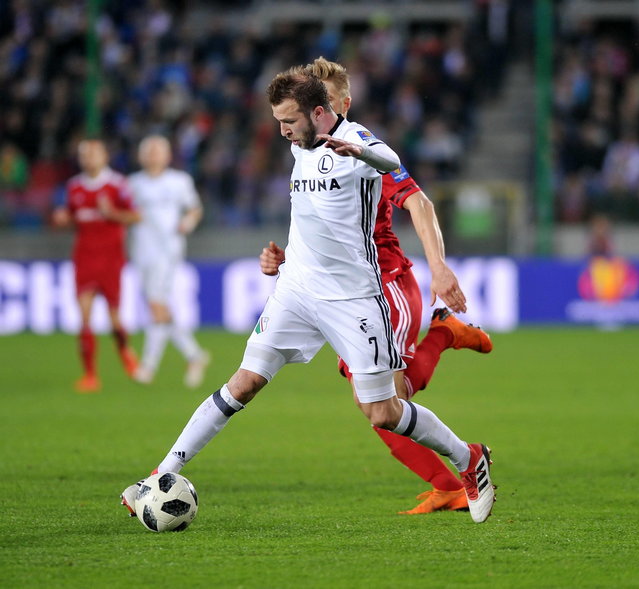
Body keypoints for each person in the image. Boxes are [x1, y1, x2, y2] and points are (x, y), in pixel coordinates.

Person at [121, 69, 496, 523]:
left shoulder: (356, 142)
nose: (282, 131)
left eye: (288, 121)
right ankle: (160, 473)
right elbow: (313, 215)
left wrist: (362, 153)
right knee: (243, 382)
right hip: (296, 290)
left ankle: (468, 458)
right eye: (278, 121)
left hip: (353, 299)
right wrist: (280, 255)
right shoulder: (300, 147)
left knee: (382, 411)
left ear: (319, 113)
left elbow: (393, 163)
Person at [258, 57, 493, 515]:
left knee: (390, 400)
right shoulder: (308, 158)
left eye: (323, 100)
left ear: (340, 105)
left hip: (386, 285)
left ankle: (444, 334)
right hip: (339, 293)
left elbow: (420, 204)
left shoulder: (365, 155)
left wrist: (439, 268)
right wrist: (288, 259)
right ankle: (448, 482)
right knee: (377, 408)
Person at [52, 138, 141, 393]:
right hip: (84, 257)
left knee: (114, 318)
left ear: (104, 157)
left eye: (93, 154)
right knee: (85, 317)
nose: (89, 159)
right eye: (84, 155)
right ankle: (90, 375)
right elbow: (72, 216)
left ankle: (125, 353)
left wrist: (112, 213)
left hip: (111, 258)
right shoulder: (74, 187)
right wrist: (63, 219)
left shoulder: (117, 185)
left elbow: (135, 216)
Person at [128, 135, 210, 388]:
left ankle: (149, 366)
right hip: (141, 251)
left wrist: (188, 222)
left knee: (156, 305)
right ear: (141, 156)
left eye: (157, 150)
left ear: (166, 155)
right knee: (159, 307)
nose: (153, 155)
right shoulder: (132, 184)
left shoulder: (179, 181)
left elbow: (195, 208)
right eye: (148, 150)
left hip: (168, 250)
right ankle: (194, 355)